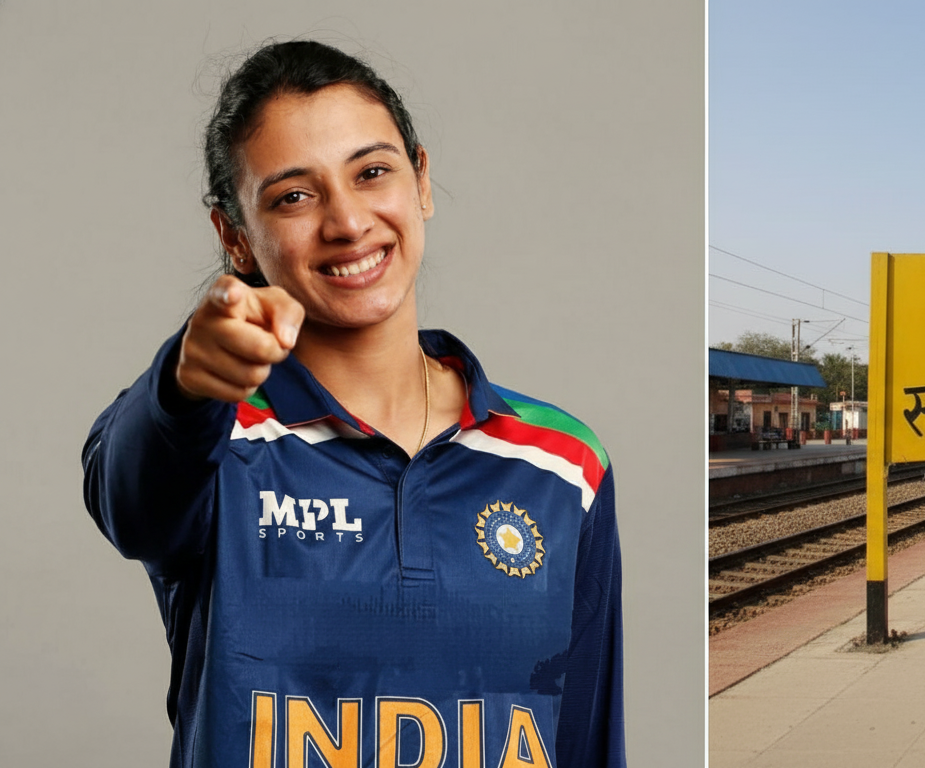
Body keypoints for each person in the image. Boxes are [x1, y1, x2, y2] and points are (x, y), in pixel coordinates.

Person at [81, 40, 623, 768]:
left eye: (372, 172)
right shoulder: (211, 437)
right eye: (294, 196)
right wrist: (187, 384)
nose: (347, 221)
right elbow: (130, 498)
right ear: (234, 235)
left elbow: (585, 737)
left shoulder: (562, 464)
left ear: (421, 181)